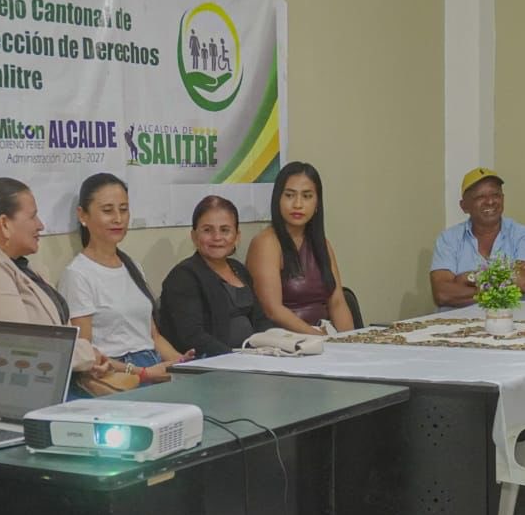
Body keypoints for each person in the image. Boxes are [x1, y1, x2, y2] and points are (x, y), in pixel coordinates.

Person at [0, 177, 109, 382]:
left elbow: (56, 337)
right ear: (4, 224)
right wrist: (86, 356)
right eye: (33, 216)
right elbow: (21, 346)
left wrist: (85, 361)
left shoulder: (24, 267)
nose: (40, 225)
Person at [60, 173, 191, 384]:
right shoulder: (78, 274)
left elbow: (153, 337)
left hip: (152, 363)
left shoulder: (132, 266)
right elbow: (85, 354)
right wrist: (142, 372)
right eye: (107, 211)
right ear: (83, 215)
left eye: (123, 209)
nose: (118, 219)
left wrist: (184, 364)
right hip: (116, 375)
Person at [247, 161, 354, 334]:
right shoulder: (266, 242)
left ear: (317, 203)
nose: (298, 204)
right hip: (286, 341)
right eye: (289, 195)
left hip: (324, 337)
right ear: (278, 199)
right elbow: (272, 310)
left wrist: (349, 342)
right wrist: (319, 337)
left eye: (307, 196)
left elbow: (337, 303)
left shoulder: (322, 243)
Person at [160, 195, 274, 356]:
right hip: (213, 363)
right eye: (207, 230)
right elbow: (192, 336)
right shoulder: (183, 277)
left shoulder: (239, 269)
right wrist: (234, 358)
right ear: (194, 236)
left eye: (225, 230)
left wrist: (278, 344)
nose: (217, 237)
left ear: (237, 236)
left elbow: (260, 320)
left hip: (254, 357)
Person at [431, 167, 525, 311]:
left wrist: (469, 277)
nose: (490, 201)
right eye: (480, 197)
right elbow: (442, 294)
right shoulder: (448, 239)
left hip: (512, 320)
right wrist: (503, 288)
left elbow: (524, 282)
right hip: (457, 321)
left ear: (503, 198)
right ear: (464, 206)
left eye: (496, 195)